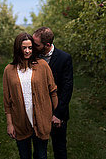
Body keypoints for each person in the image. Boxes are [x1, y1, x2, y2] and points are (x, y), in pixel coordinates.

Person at [3, 32, 58, 159]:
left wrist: (57, 114)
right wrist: (9, 124)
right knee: (24, 156)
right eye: (24, 48)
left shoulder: (43, 65)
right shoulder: (9, 70)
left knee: (41, 155)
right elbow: (7, 101)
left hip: (41, 120)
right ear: (18, 48)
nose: (27, 51)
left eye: (30, 47)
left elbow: (53, 91)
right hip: (20, 122)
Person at [32, 27, 73, 159]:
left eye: (36, 44)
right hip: (38, 109)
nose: (32, 46)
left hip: (57, 109)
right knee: (38, 149)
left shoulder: (64, 58)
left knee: (59, 147)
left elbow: (67, 88)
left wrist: (58, 114)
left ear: (47, 45)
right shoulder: (33, 56)